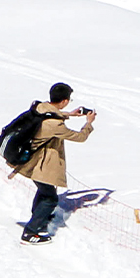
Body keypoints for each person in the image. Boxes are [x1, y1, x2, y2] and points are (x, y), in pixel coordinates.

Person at [16, 83, 96, 244]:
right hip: (42, 163)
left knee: (45, 191)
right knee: (50, 198)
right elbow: (79, 137)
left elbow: (51, 115)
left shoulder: (40, 107)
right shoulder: (55, 125)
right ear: (65, 100)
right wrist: (88, 123)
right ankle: (30, 232)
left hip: (33, 161)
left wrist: (70, 115)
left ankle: (39, 218)